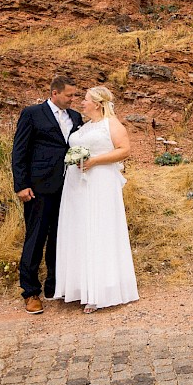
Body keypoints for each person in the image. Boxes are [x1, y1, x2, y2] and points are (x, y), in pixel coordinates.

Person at [52, 86, 138, 313]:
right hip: (76, 186)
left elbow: (124, 150)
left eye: (86, 99)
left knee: (99, 230)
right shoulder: (84, 126)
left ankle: (100, 291)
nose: (81, 102)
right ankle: (80, 287)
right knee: (80, 231)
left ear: (98, 103)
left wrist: (94, 161)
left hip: (99, 183)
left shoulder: (112, 124)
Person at [11, 76, 84, 314]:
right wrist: (21, 185)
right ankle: (30, 292)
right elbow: (19, 152)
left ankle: (55, 285)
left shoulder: (75, 117)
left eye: (75, 95)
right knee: (36, 238)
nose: (74, 99)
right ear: (54, 93)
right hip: (38, 188)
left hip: (69, 188)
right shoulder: (32, 113)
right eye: (69, 95)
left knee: (60, 238)